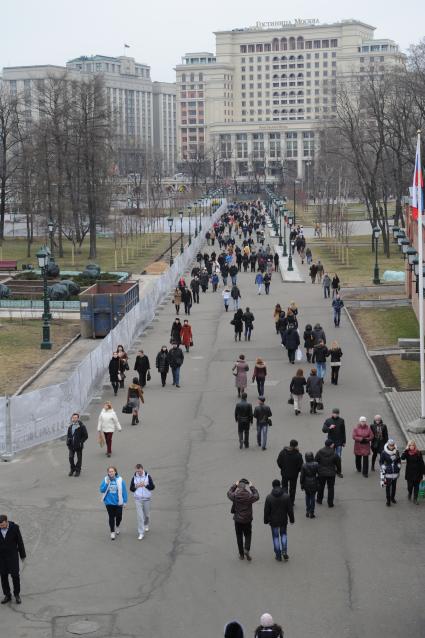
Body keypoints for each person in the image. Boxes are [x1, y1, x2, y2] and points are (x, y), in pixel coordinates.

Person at [227, 479, 259, 561]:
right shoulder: (249, 496)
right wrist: (252, 487)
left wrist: (234, 485)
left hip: (238, 520)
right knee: (248, 534)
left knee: (239, 536)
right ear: (245, 487)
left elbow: (228, 493)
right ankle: (247, 549)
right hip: (247, 520)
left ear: (238, 487)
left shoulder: (235, 496)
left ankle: (241, 555)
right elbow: (257, 496)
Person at [264, 479, 294, 562]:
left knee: (276, 537)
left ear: (273, 486)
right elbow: (290, 510)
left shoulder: (269, 497)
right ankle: (284, 551)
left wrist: (266, 520)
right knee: (283, 535)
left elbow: (266, 510)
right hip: (283, 520)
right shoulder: (286, 496)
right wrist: (292, 519)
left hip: (273, 521)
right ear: (280, 485)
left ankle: (278, 555)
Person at [0, 514, 26, 605]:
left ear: (7, 522)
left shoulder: (14, 528)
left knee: (15, 576)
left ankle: (16, 594)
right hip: (1, 558)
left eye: (3, 525)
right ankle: (7, 595)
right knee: (3, 576)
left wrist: (22, 555)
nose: (1, 527)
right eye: (0, 526)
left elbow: (20, 541)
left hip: (12, 557)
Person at [100, 466, 128, 540]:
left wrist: (125, 501)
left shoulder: (120, 480)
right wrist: (107, 484)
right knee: (111, 517)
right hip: (109, 503)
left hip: (118, 502)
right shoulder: (106, 479)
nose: (111, 473)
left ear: (115, 472)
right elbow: (101, 490)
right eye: (109, 472)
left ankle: (117, 526)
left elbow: (124, 491)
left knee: (119, 516)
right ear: (108, 473)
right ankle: (112, 532)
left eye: (112, 471)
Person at [129, 463, 155, 540]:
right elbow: (131, 489)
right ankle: (141, 532)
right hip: (138, 499)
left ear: (142, 469)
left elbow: (152, 487)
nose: (139, 473)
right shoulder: (134, 477)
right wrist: (136, 486)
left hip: (147, 499)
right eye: (137, 471)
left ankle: (146, 524)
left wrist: (145, 485)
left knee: (146, 515)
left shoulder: (147, 476)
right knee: (140, 517)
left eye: (140, 471)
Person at [315, 439, 342, 507]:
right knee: (331, 488)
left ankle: (319, 500)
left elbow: (316, 461)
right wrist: (338, 471)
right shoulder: (334, 454)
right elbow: (338, 464)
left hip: (321, 473)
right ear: (331, 445)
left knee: (321, 486)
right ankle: (330, 503)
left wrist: (317, 471)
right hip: (331, 473)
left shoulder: (320, 452)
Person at [277, 439, 303, 505]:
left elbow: (279, 461)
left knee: (284, 487)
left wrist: (282, 468)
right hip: (294, 475)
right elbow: (300, 466)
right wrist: (297, 470)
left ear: (290, 444)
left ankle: (284, 501)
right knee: (293, 488)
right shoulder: (298, 455)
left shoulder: (283, 452)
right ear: (296, 445)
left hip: (284, 473)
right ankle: (291, 502)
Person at [66, 412, 88, 476]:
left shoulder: (82, 426)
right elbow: (68, 435)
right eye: (73, 417)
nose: (74, 418)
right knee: (70, 458)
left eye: (76, 417)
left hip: (78, 446)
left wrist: (81, 442)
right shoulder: (70, 427)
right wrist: (68, 442)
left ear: (78, 418)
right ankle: (72, 469)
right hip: (71, 445)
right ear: (72, 418)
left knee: (79, 458)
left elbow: (86, 436)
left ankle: (78, 470)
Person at [380, 439, 401, 506]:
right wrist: (383, 466)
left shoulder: (396, 452)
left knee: (394, 486)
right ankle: (388, 500)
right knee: (388, 486)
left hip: (395, 471)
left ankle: (392, 498)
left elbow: (398, 460)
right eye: (390, 445)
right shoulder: (384, 452)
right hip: (388, 471)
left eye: (392, 445)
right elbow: (381, 461)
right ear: (388, 445)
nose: (391, 446)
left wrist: (398, 465)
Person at [300, 452, 320, 518]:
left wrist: (301, 484)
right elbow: (319, 474)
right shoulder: (316, 464)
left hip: (306, 483)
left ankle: (307, 510)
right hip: (314, 482)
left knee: (307, 496)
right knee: (313, 497)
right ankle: (312, 512)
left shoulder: (304, 465)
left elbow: (302, 476)